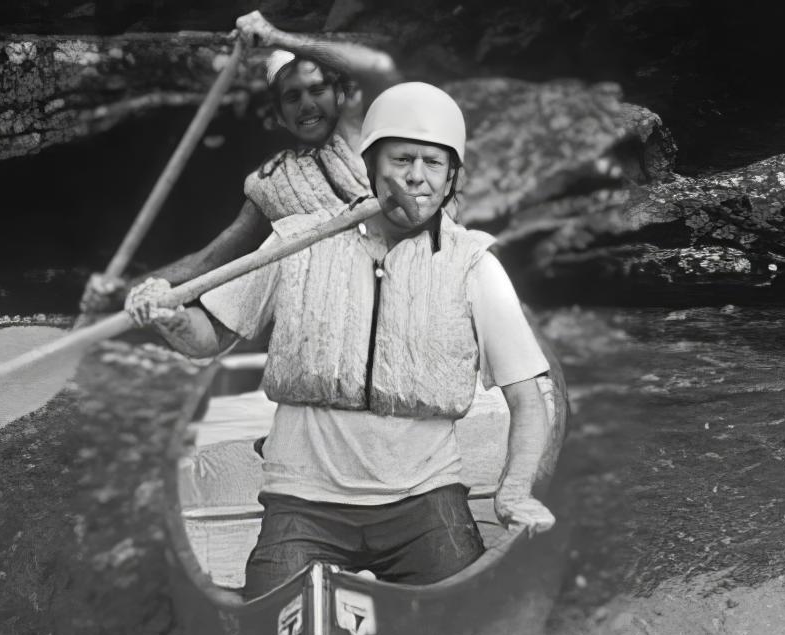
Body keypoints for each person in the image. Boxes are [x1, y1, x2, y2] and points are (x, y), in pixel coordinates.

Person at [126, 81, 558, 598]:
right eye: (401, 160)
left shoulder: (474, 265)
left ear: (451, 180)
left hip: (425, 498)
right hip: (302, 501)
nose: (416, 177)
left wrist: (514, 491)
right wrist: (169, 316)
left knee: (466, 608)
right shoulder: (296, 240)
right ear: (371, 165)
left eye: (433, 163)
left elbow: (528, 402)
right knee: (267, 610)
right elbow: (205, 340)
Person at [80, 10, 401, 313]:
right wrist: (124, 293)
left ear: (340, 96)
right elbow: (208, 262)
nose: (306, 105)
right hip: (339, 317)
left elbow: (379, 66)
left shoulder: (361, 130)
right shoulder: (273, 182)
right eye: (293, 97)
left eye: (317, 90)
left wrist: (276, 37)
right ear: (279, 116)